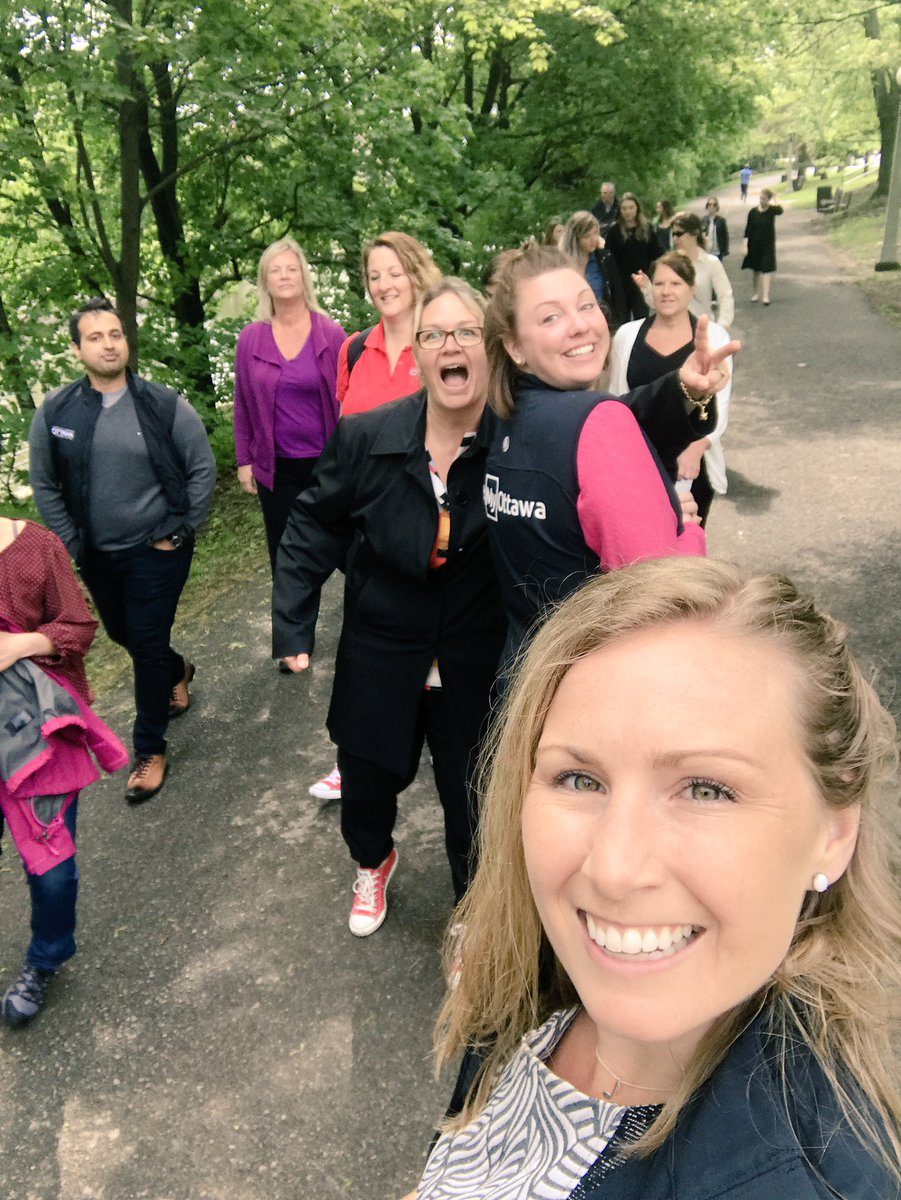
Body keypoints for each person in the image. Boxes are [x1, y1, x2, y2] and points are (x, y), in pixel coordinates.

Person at [411, 558, 901, 1200]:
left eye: (706, 788)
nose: (613, 869)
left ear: (833, 833)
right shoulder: (529, 979)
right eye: (579, 779)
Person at [272, 279, 506, 936]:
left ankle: (475, 918)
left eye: (465, 332)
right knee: (366, 780)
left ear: (488, 348)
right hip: (381, 648)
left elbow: (607, 428)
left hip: (474, 658)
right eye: (434, 334)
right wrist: (293, 621)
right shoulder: (365, 436)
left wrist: (686, 402)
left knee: (475, 804)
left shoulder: (518, 440)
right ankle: (373, 862)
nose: (449, 346)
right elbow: (313, 525)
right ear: (419, 353)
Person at [482, 241, 737, 659]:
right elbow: (663, 594)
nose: (580, 325)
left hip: (527, 677)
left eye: (586, 306)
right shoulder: (597, 421)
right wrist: (684, 528)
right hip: (599, 680)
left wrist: (684, 390)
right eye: (550, 316)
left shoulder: (504, 418)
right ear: (514, 346)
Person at [28, 298, 216, 804]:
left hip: (158, 548)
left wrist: (180, 531)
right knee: (125, 636)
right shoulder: (56, 412)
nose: (108, 344)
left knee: (146, 644)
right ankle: (176, 672)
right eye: (95, 337)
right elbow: (44, 485)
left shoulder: (162, 404)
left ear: (126, 341)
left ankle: (150, 748)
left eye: (115, 334)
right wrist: (72, 544)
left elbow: (201, 469)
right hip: (97, 554)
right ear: (77, 349)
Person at [307, 231, 442, 804]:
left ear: (416, 272)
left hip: (436, 530)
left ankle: (449, 748)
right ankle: (358, 758)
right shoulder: (354, 350)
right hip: (368, 532)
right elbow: (344, 436)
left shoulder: (439, 344)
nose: (385, 284)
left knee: (439, 647)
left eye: (395, 272)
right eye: (374, 275)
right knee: (366, 648)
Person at [0, 514, 128, 1025]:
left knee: (50, 867)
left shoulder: (38, 547)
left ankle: (45, 957)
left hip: (40, 737)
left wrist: (19, 645)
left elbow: (77, 626)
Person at [233, 237, 346, 580]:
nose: (284, 276)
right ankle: (293, 634)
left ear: (303, 277)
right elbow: (242, 403)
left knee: (345, 550)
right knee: (287, 561)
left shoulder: (331, 334)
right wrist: (244, 460)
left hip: (327, 466)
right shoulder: (251, 338)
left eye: (291, 269)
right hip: (276, 470)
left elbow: (347, 400)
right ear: (265, 280)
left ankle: (366, 626)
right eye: (275, 270)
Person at [609, 252, 734, 526]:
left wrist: (697, 448)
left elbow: (719, 406)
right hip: (638, 459)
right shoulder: (627, 335)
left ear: (692, 289)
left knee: (685, 548)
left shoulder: (712, 337)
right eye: (659, 284)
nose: (666, 291)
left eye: (675, 284)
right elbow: (617, 399)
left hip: (690, 466)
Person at [560, 211, 625, 327]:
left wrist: (619, 324)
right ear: (575, 238)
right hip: (574, 323)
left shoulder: (605, 258)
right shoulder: (562, 264)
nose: (593, 239)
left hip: (604, 321)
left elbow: (617, 295)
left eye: (595, 233)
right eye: (587, 236)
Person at [603, 194, 658, 320]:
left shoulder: (647, 228)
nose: (628, 212)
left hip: (641, 279)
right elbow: (609, 256)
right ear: (620, 210)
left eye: (631, 208)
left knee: (642, 316)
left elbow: (655, 253)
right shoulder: (614, 231)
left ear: (637, 208)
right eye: (624, 208)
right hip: (621, 281)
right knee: (622, 317)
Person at [742, 188, 784, 305]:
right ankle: (756, 293)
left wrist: (775, 199)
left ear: (768, 200)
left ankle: (765, 296)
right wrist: (745, 245)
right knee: (756, 270)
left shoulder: (771, 210)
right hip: (754, 244)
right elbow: (747, 230)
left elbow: (780, 210)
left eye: (764, 199)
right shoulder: (753, 212)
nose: (762, 201)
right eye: (761, 198)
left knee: (766, 269)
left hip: (768, 244)